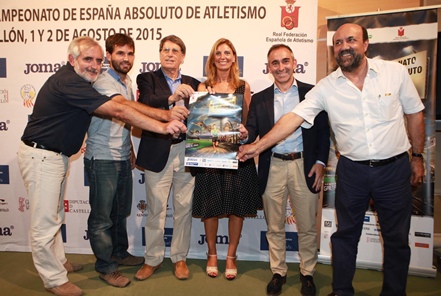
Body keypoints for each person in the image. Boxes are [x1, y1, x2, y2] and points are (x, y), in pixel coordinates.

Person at [237, 23, 425, 296]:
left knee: (397, 239)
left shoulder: (394, 73)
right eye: (338, 42)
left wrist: (417, 157)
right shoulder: (326, 88)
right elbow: (293, 119)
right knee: (345, 236)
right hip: (352, 171)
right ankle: (341, 290)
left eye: (351, 40)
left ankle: (394, 291)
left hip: (394, 169)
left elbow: (415, 113)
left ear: (365, 44)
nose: (344, 46)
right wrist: (257, 147)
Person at [17, 36, 187, 296]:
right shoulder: (71, 82)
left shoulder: (103, 81)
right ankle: (57, 278)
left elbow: (125, 108)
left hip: (60, 156)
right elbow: (119, 109)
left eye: (97, 60)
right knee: (49, 223)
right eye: (88, 59)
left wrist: (132, 145)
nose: (94, 65)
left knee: (69, 216)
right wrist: (164, 121)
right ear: (72, 59)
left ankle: (70, 260)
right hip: (45, 156)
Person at [245, 44, 330, 296]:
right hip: (272, 166)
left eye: (285, 61)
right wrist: (242, 135)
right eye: (275, 63)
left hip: (304, 165)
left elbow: (324, 132)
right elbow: (251, 131)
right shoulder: (259, 99)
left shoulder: (312, 93)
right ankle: (278, 272)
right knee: (274, 225)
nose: (280, 67)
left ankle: (307, 273)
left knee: (306, 225)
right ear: (268, 66)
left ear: (294, 62)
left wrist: (321, 162)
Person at [192, 38, 262, 280]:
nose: (223, 56)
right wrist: (206, 100)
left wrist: (246, 132)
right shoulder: (203, 87)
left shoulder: (244, 86)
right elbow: (198, 124)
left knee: (237, 207)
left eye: (227, 52)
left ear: (234, 57)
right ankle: (212, 253)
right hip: (210, 154)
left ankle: (231, 255)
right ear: (213, 59)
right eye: (218, 53)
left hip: (237, 152)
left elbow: (249, 122)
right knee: (210, 207)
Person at [135, 35, 199, 281]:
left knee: (183, 208)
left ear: (183, 56)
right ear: (160, 54)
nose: (170, 54)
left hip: (186, 151)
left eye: (175, 51)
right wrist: (172, 99)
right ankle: (152, 259)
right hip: (157, 150)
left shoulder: (194, 83)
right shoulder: (147, 78)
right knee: (156, 210)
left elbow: (206, 116)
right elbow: (144, 103)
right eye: (165, 50)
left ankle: (179, 258)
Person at [84, 34, 145, 288]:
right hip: (102, 159)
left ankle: (119, 253)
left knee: (120, 212)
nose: (126, 58)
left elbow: (124, 121)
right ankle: (106, 267)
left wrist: (130, 148)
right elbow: (123, 110)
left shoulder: (127, 81)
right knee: (102, 218)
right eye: (120, 53)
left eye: (130, 53)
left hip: (121, 157)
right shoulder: (102, 81)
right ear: (109, 56)